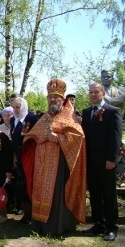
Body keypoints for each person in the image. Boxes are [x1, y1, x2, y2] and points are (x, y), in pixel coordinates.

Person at [21, 79, 86, 236]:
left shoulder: (69, 116)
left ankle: (56, 227)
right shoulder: (44, 117)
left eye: (56, 97)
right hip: (41, 165)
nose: (52, 100)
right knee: (40, 193)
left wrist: (59, 139)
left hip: (60, 165)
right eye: (50, 97)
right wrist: (37, 138)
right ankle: (39, 226)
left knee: (57, 195)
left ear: (62, 99)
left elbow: (79, 137)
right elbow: (31, 135)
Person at [81, 83, 122, 241]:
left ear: (103, 93)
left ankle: (112, 227)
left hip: (107, 162)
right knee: (95, 194)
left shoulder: (113, 111)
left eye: (96, 92)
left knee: (109, 195)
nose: (92, 94)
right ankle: (99, 224)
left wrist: (111, 159)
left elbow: (116, 137)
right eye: (90, 92)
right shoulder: (86, 112)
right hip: (91, 162)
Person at [10, 97, 39, 223]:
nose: (16, 110)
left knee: (29, 183)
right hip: (18, 157)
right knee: (20, 185)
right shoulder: (12, 120)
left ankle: (33, 214)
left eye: (18, 107)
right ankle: (26, 213)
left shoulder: (32, 119)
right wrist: (15, 156)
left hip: (30, 157)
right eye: (14, 107)